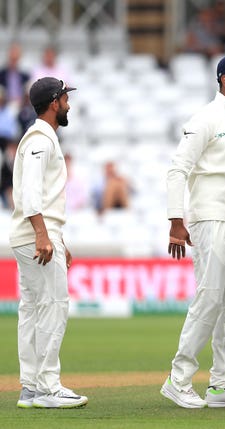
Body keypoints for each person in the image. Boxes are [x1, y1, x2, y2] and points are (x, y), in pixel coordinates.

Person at [160, 53, 225, 409]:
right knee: (209, 299)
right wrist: (177, 221)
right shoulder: (204, 118)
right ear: (224, 80)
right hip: (211, 218)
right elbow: (178, 169)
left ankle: (222, 385)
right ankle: (179, 378)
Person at [9, 77, 88, 408]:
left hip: (35, 234)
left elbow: (42, 194)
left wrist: (56, 236)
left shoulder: (38, 138)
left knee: (31, 309)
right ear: (54, 102)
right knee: (54, 307)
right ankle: (47, 387)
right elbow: (30, 191)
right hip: (34, 236)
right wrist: (43, 234)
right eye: (65, 99)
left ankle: (30, 386)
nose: (69, 104)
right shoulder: (42, 138)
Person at [0, 42, 31, 111]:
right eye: (12, 57)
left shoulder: (25, 75)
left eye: (16, 57)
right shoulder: (2, 74)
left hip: (21, 106)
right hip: (4, 107)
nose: (14, 60)